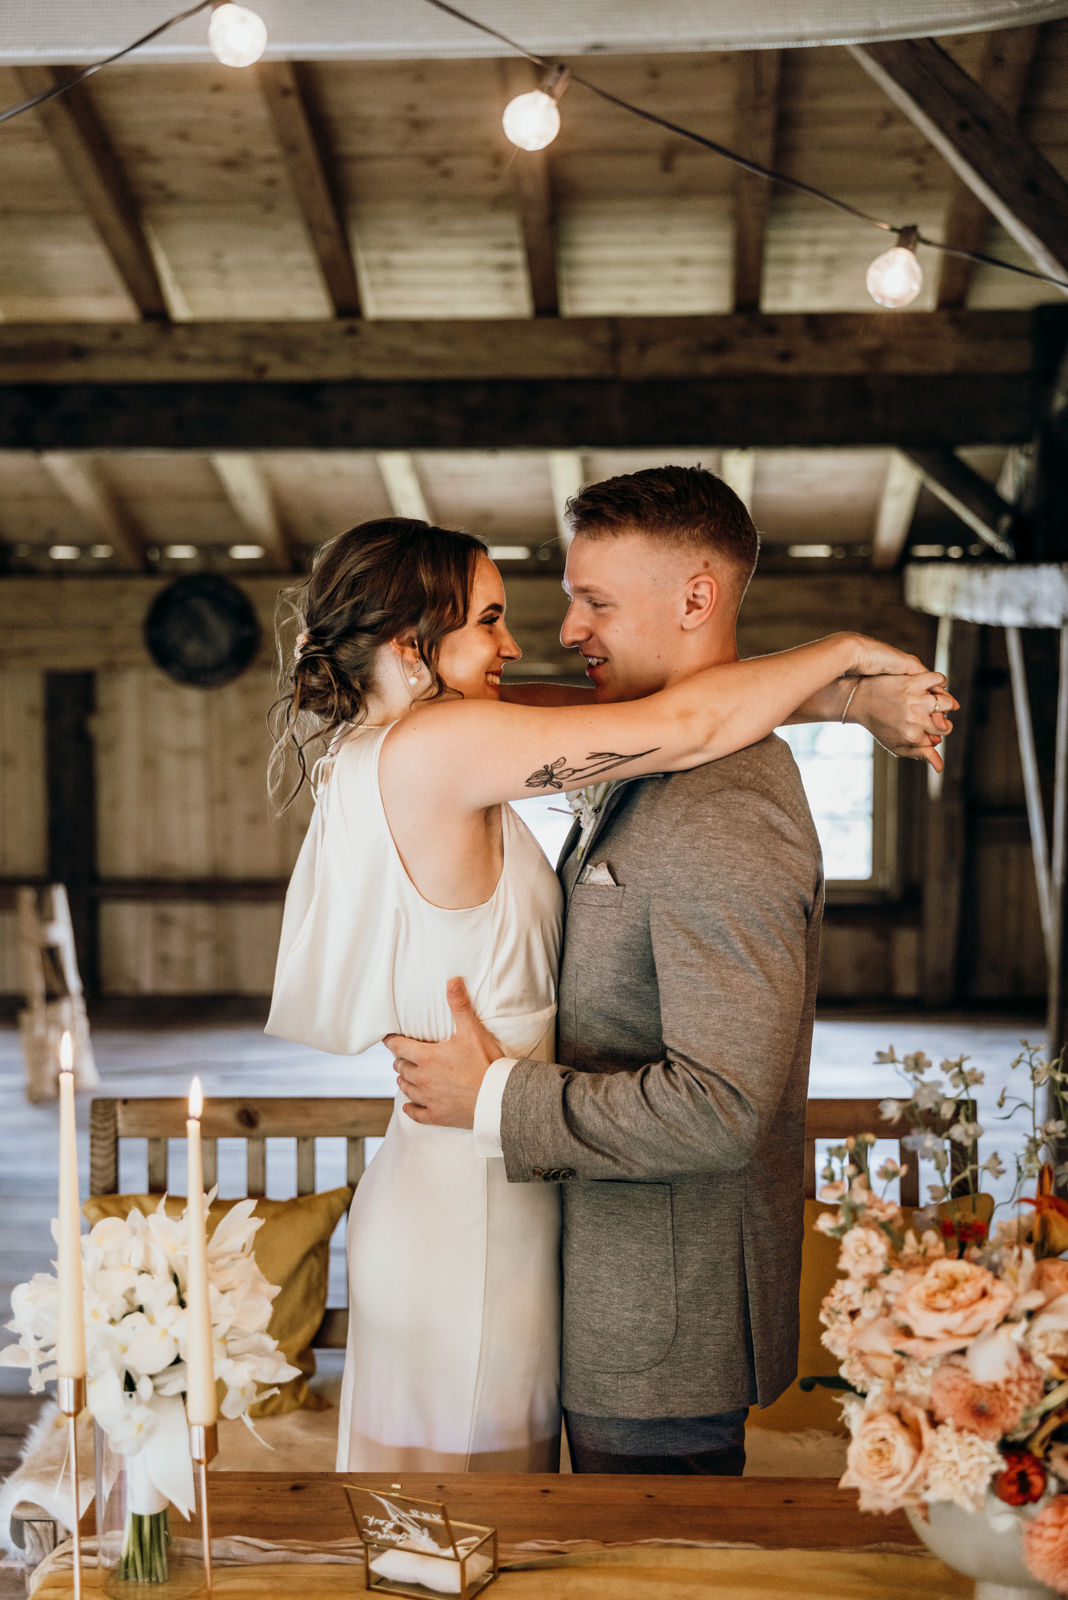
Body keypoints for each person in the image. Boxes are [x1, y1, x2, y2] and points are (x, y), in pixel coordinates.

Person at [265, 494, 954, 1475]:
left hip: (505, 1192)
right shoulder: (432, 751)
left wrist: (844, 700)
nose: (536, 641)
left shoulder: (423, 740)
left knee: (490, 1528)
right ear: (413, 647)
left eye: (584, 601)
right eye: (493, 617)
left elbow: (632, 716)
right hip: (470, 1207)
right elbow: (673, 721)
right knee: (465, 1521)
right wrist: (845, 654)